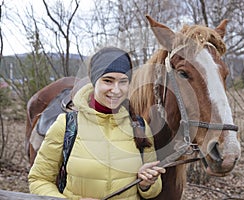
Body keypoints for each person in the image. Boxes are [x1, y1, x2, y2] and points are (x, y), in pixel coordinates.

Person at [28, 47, 165, 200]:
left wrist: (147, 184)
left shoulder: (139, 125)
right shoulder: (67, 125)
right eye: (108, 81)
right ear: (94, 81)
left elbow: (154, 189)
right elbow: (39, 180)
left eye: (123, 82)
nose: (116, 90)